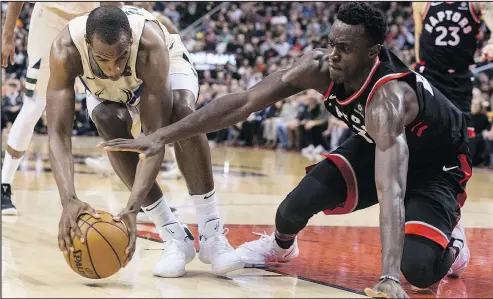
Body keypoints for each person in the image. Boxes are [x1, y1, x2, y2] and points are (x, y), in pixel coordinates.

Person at [100, 3, 472, 297]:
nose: (333, 56)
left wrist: (389, 276)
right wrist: (161, 134)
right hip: (378, 143)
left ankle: (453, 240)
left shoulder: (387, 101)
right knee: (292, 208)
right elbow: (243, 103)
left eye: (344, 49)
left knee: (419, 271)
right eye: (331, 43)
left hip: (439, 166)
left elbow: (392, 189)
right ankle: (281, 248)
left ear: (373, 53)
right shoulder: (320, 67)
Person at [46, 5, 243, 278]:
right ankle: (174, 236)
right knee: (105, 118)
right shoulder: (65, 50)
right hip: (106, 90)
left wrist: (132, 208)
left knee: (183, 114)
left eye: (121, 56)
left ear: (130, 41)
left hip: (162, 65)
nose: (114, 68)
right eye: (103, 58)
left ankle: (212, 233)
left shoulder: (150, 44)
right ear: (88, 45)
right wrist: (68, 199)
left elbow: (154, 136)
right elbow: (58, 133)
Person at [1, 2, 103, 215]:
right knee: (35, 105)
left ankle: (139, 193)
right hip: (49, 17)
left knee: (102, 99)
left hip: (88, 19)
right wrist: (8, 34)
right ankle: (4, 185)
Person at [413, 1, 493, 135]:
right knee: (425, 131)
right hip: (429, 74)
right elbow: (418, 35)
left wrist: (491, 43)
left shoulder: (477, 2)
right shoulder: (421, 3)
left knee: (462, 136)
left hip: (460, 77)